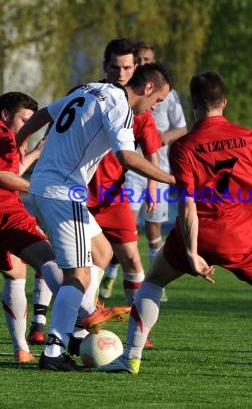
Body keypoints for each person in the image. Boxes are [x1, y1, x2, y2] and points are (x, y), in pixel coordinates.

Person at [100, 71, 252, 382]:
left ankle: (131, 359)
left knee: (153, 282)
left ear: (193, 105)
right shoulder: (248, 136)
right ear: (224, 101)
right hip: (243, 236)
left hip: (199, 235)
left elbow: (187, 204)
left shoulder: (183, 146)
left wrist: (191, 252)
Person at [16, 63, 175, 371]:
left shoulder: (91, 88)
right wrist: (171, 180)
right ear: (148, 88)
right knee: (78, 276)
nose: (154, 107)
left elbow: (44, 114)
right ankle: (55, 350)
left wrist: (21, 139)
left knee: (101, 250)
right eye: (157, 101)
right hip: (63, 192)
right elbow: (126, 157)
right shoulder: (121, 105)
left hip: (46, 187)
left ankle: (78, 328)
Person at [0, 92, 62, 363]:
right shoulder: (2, 134)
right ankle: (84, 318)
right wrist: (40, 188)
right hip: (1, 211)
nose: (28, 125)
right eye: (24, 119)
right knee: (51, 259)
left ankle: (21, 349)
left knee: (17, 274)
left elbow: (6, 170)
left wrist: (35, 153)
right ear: (6, 115)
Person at [115, 41, 188, 302]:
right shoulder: (121, 97)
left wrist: (162, 137)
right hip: (132, 167)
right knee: (126, 225)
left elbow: (182, 128)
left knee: (154, 229)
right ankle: (114, 278)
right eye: (140, 59)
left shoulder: (169, 96)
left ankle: (157, 281)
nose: (143, 63)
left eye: (147, 59)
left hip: (156, 164)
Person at [91, 39, 161, 308]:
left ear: (135, 68)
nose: (120, 74)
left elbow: (151, 152)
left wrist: (152, 186)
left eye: (127, 68)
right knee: (65, 261)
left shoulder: (140, 109)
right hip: (77, 192)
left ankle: (139, 327)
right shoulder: (88, 94)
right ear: (105, 66)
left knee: (132, 259)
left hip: (113, 195)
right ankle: (43, 324)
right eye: (115, 67)